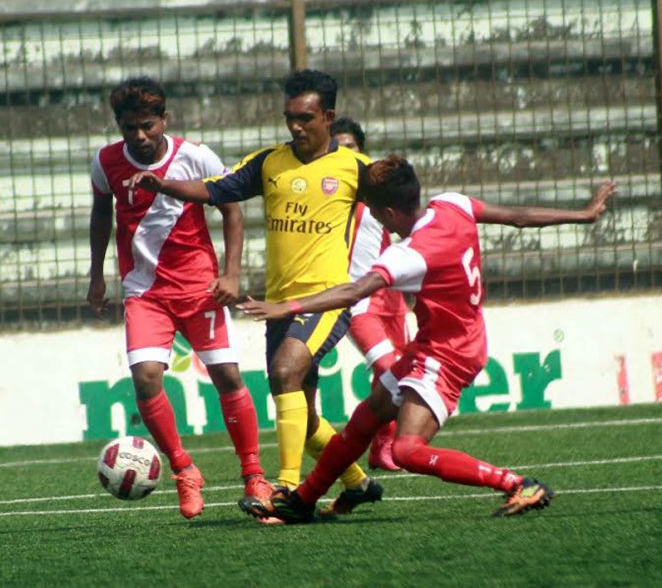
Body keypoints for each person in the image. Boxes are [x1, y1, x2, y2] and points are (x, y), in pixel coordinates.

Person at [235, 155, 617, 522]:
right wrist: (581, 215)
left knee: (406, 450)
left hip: (448, 355)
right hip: (441, 342)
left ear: (385, 214)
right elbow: (517, 216)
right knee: (367, 417)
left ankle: (518, 483)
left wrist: (288, 308)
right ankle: (302, 501)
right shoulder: (452, 205)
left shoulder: (411, 254)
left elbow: (354, 291)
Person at [127, 70, 381, 519]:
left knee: (285, 372)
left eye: (305, 118)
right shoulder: (269, 163)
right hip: (278, 302)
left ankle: (286, 490)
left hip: (327, 299)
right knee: (300, 415)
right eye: (289, 118)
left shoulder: (357, 169)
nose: (296, 127)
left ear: (328, 116)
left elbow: (404, 203)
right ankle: (357, 483)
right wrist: (162, 184)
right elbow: (215, 189)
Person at [87, 76, 273, 519]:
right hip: (145, 290)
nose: (139, 136)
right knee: (147, 377)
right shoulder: (106, 161)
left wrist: (230, 272)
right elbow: (101, 215)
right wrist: (96, 277)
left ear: (164, 119)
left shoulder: (195, 156)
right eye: (129, 127)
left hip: (199, 286)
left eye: (148, 125)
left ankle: (253, 474)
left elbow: (231, 208)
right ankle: (184, 470)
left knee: (227, 376)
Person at [331, 116, 408, 472]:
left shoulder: (377, 194)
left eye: (351, 147)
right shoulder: (331, 195)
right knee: (387, 366)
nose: (344, 153)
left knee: (396, 375)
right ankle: (355, 446)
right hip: (357, 299)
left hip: (390, 295)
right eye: (338, 147)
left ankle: (382, 448)